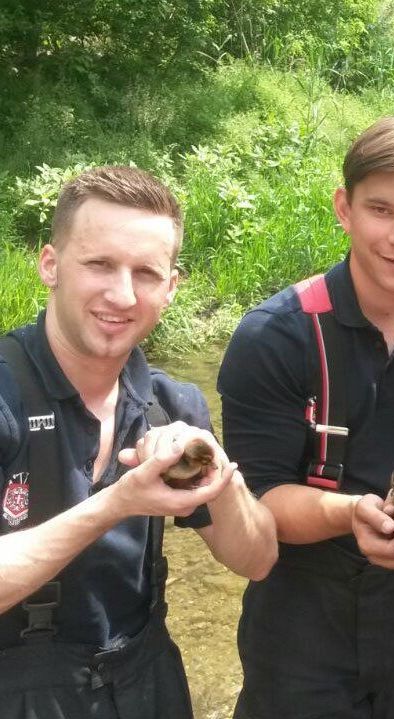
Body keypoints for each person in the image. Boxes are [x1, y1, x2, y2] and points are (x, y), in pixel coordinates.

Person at [219, 116, 394, 719]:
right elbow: (258, 501)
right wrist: (352, 513)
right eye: (380, 210)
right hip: (298, 629)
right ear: (344, 208)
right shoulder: (272, 338)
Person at [0, 165, 278, 719]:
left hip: (147, 678)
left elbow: (258, 559)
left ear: (172, 287)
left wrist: (218, 477)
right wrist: (119, 503)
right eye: (99, 264)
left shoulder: (172, 404)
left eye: (146, 273)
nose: (122, 294)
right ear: (50, 265)